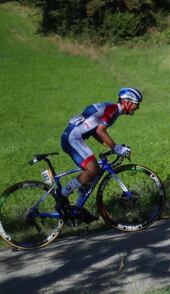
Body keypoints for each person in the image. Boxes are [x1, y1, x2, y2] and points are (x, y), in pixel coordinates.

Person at [59, 87, 142, 219]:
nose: (136, 109)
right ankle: (61, 195)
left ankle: (76, 209)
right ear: (127, 102)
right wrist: (116, 148)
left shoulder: (109, 107)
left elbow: (95, 131)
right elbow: (100, 131)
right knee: (93, 169)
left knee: (90, 176)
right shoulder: (113, 110)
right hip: (73, 139)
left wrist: (114, 147)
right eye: (136, 105)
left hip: (71, 137)